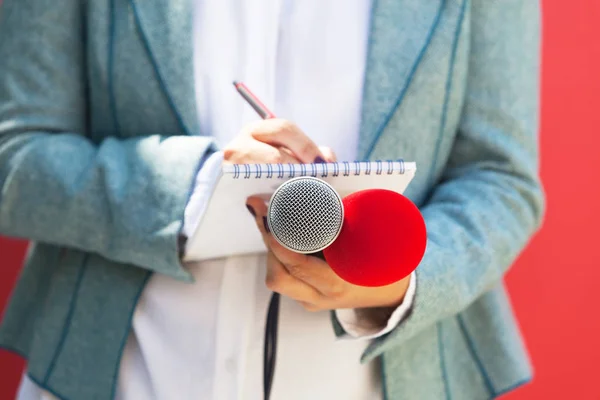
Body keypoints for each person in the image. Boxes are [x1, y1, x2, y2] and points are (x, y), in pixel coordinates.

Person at [0, 0, 545, 399]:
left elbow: (500, 177)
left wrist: (396, 282)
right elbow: (15, 153)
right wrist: (196, 187)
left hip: (378, 382)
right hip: (119, 376)